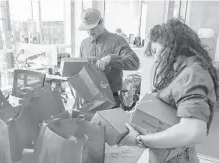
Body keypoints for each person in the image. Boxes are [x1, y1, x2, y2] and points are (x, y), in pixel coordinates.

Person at [118, 19, 218, 162]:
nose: (156, 59)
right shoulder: (180, 71)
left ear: (172, 46)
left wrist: (141, 140)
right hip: (166, 153)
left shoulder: (193, 74)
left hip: (177, 156)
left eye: (156, 51)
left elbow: (193, 131)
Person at [79, 8, 140, 108]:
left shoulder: (117, 41)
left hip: (111, 99)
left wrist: (111, 59)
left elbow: (135, 63)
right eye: (87, 28)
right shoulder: (84, 44)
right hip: (89, 98)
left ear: (101, 23)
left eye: (93, 28)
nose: (89, 32)